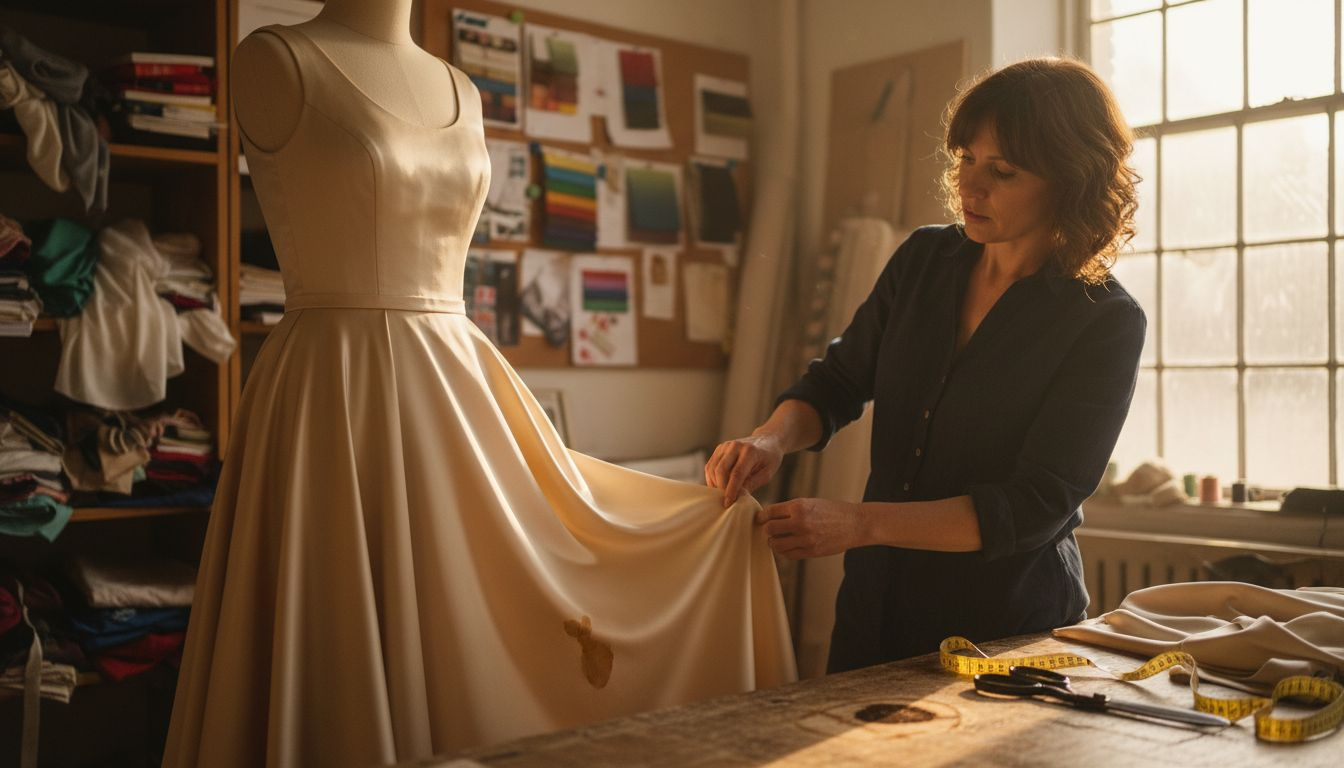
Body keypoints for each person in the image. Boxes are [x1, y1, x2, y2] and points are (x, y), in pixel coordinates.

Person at [163, 1, 794, 765]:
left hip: (457, 385)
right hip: (333, 392)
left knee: (501, 609)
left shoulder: (459, 88)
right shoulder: (276, 60)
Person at [706, 56, 1146, 673]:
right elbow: (836, 381)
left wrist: (858, 523)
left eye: (1003, 171)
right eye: (967, 158)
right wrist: (769, 440)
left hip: (1009, 630)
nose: (971, 186)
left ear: (1071, 181)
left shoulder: (1105, 321)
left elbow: (1031, 505)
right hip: (873, 609)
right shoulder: (921, 261)